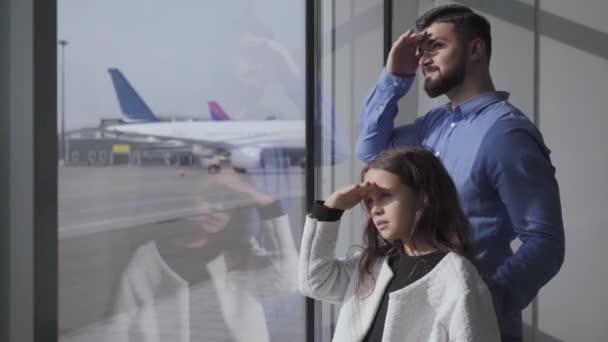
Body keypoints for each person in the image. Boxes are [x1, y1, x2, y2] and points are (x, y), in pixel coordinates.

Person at [356, 4, 564, 341]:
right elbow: (371, 150)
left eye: (435, 46)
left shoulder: (506, 134)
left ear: (476, 49)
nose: (424, 57)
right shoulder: (434, 124)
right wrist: (395, 77)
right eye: (420, 50)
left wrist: (481, 301)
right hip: (414, 315)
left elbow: (545, 243)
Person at [299, 146, 500, 341]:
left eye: (385, 196)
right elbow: (315, 282)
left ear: (423, 197)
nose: (375, 209)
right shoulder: (372, 264)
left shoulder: (456, 279)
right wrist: (331, 210)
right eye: (369, 201)